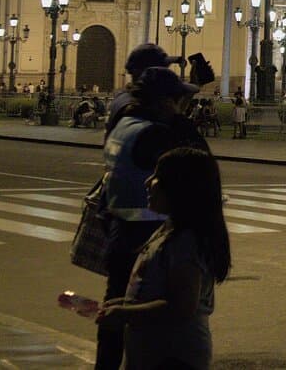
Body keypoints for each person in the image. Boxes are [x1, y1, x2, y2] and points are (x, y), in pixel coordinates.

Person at [96, 66, 202, 370]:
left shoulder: (124, 125)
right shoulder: (152, 134)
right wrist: (181, 120)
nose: (177, 106)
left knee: (114, 317)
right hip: (145, 233)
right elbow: (192, 161)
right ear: (162, 101)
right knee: (143, 320)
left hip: (119, 229)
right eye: (174, 100)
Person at [96, 147, 230, 370]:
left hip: (173, 359)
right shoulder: (168, 231)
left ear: (179, 188)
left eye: (157, 176)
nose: (148, 182)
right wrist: (122, 303)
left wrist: (125, 313)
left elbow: (181, 307)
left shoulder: (185, 242)